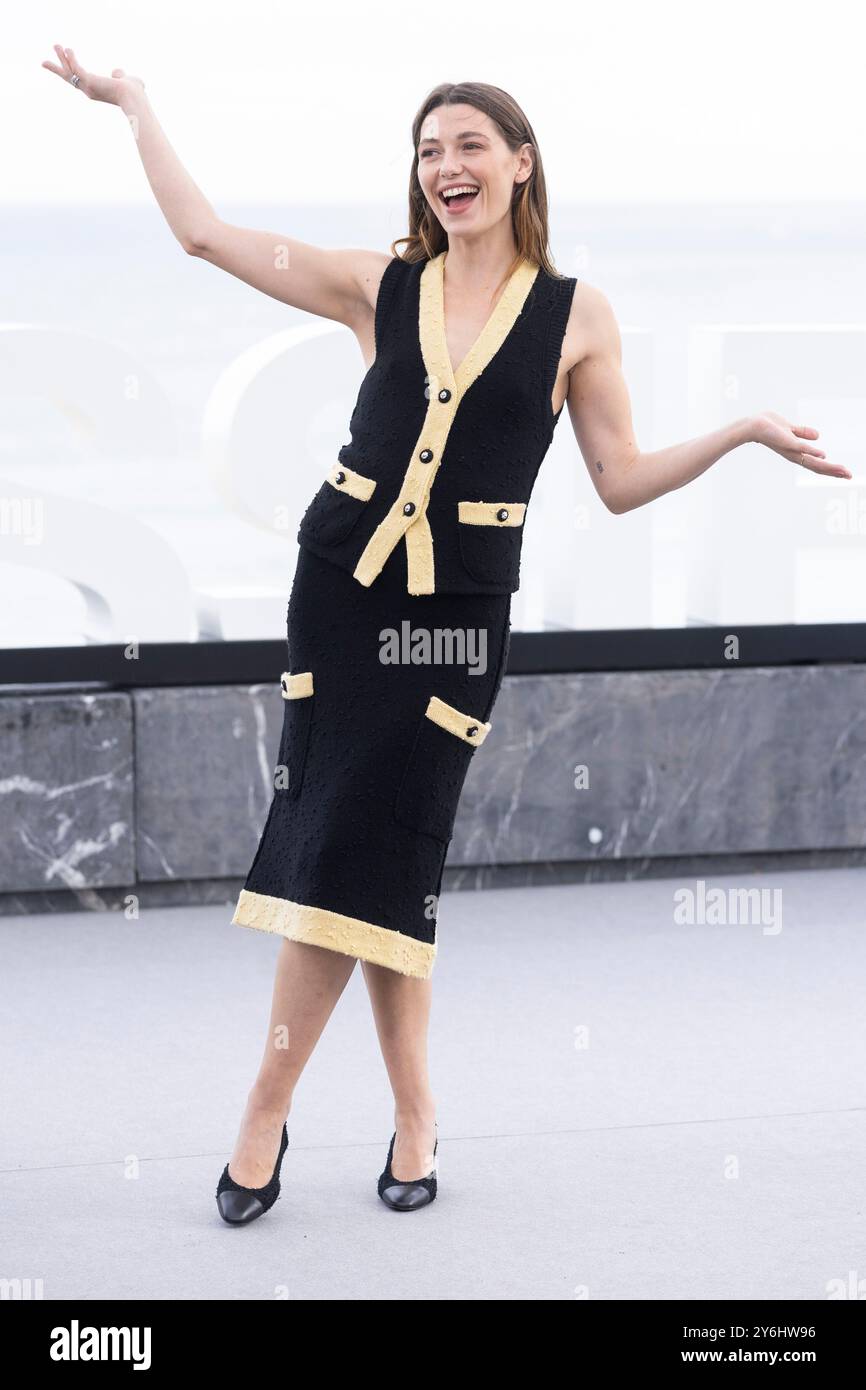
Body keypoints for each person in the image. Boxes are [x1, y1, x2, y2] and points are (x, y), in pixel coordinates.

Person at [43, 48, 849, 1224]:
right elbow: (206, 236)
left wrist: (735, 432)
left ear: (520, 164)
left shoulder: (578, 315)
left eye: (470, 145)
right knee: (358, 857)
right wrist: (135, 104)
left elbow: (617, 479)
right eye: (429, 151)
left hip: (455, 627)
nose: (446, 167)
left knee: (377, 852)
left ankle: (271, 1105)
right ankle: (397, 1120)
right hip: (339, 598)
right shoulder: (380, 284)